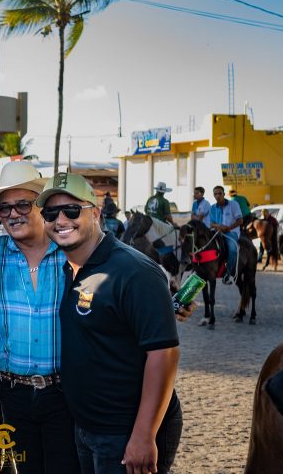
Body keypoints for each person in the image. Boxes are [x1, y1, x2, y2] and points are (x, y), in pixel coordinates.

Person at [38, 172, 182, 474]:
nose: (61, 220)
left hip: (125, 431)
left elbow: (164, 354)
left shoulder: (134, 270)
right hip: (86, 427)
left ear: (96, 213)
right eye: (51, 213)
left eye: (72, 210)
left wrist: (144, 435)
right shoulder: (68, 267)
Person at [0, 161, 79, 473]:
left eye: (23, 204)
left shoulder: (73, 252)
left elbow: (118, 282)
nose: (13, 214)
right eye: (4, 208)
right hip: (13, 395)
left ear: (42, 207)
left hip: (66, 392)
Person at [210, 185, 243, 285]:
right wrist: (218, 226)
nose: (218, 196)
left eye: (220, 193)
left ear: (224, 194)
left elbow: (240, 220)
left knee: (233, 249)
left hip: (231, 232)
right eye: (215, 194)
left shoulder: (233, 204)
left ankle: (227, 274)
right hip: (216, 232)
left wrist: (228, 228)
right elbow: (210, 223)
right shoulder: (212, 208)